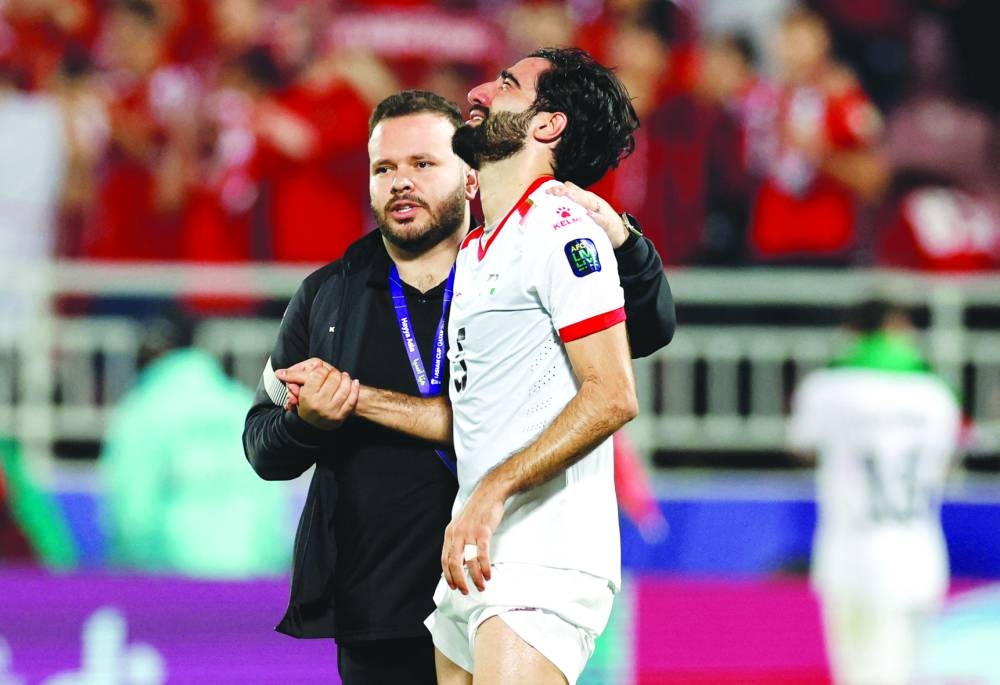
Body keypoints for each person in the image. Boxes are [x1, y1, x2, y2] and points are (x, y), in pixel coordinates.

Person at [244, 85, 674, 684]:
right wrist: (304, 423)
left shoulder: (513, 266)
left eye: (422, 164)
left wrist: (625, 241)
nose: (400, 181)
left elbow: (648, 331)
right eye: (384, 168)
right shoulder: (327, 297)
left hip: (506, 574)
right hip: (382, 606)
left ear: (469, 175)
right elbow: (261, 443)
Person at [788, 299, 962, 685]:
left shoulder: (828, 388)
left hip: (855, 559)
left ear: (852, 331)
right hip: (922, 558)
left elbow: (801, 446)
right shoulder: (936, 393)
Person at [101, 314, 289, 578]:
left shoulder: (142, 409)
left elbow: (133, 517)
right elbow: (271, 500)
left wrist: (138, 579)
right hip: (250, 578)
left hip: (173, 586)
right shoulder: (241, 403)